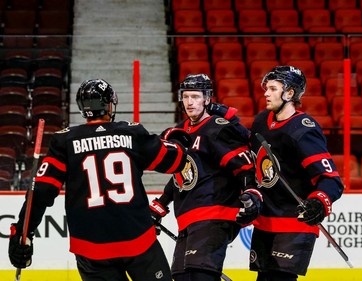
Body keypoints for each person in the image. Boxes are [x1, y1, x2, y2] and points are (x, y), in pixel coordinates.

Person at [8, 79, 191, 281]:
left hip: (90, 248)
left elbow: (41, 191)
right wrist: (176, 141)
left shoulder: (64, 141)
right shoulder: (131, 133)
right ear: (109, 104)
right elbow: (175, 162)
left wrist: (22, 233)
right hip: (138, 241)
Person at [237, 66, 344, 281]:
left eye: (273, 89)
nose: (266, 93)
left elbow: (331, 181)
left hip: (294, 223)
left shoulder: (303, 129)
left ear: (290, 94)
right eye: (266, 88)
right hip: (265, 221)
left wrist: (319, 202)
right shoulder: (260, 122)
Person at [149, 73, 255, 281]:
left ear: (207, 99)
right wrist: (161, 204)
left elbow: (244, 167)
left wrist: (251, 194)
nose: (189, 102)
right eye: (186, 96)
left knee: (200, 276)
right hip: (188, 217)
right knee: (181, 277)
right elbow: (183, 173)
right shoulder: (179, 131)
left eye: (196, 97)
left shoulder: (218, 127)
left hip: (215, 214)